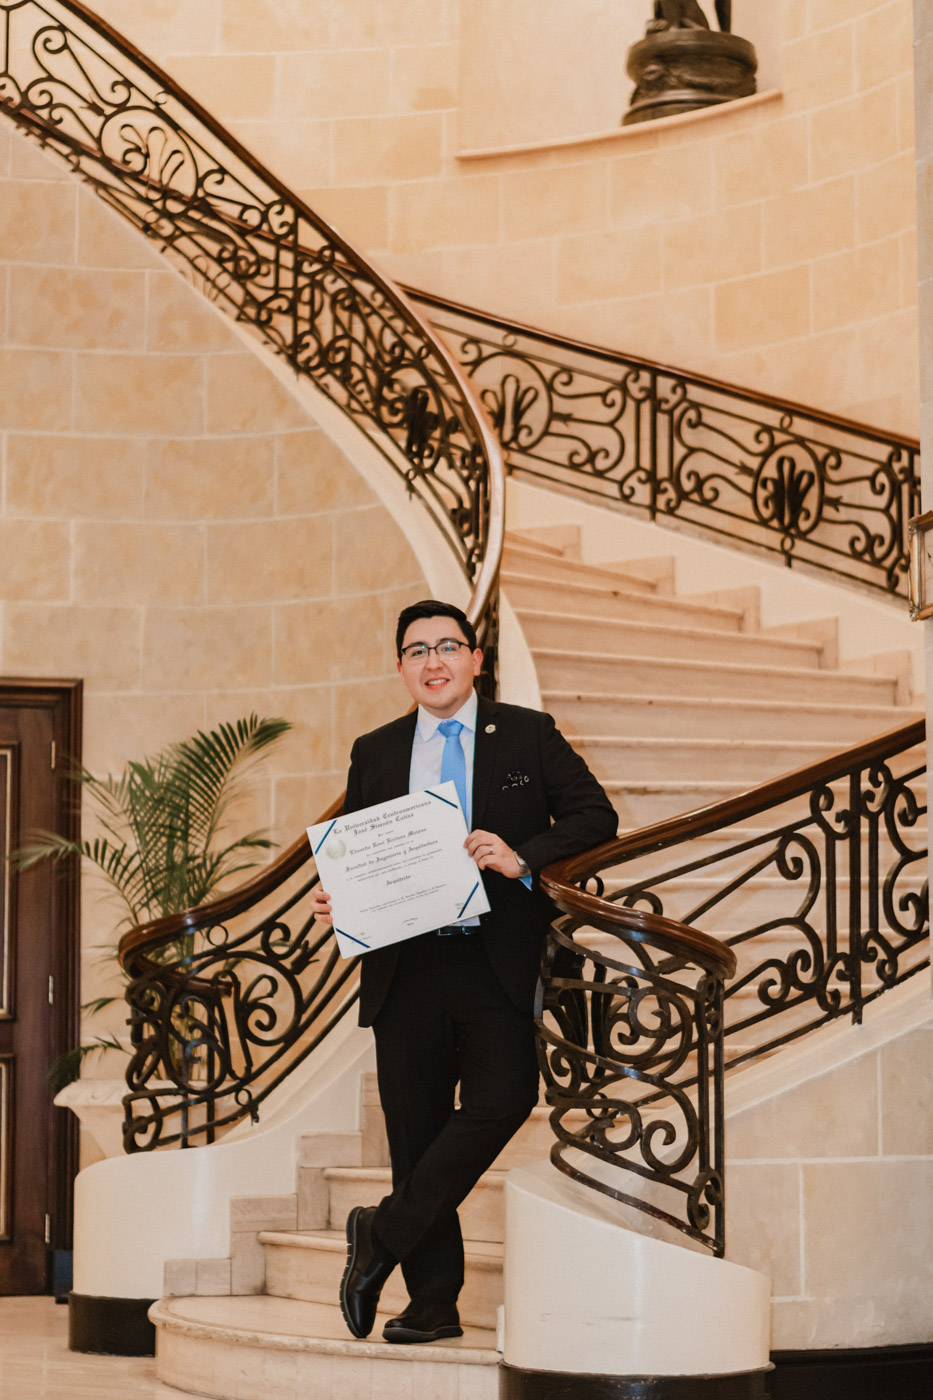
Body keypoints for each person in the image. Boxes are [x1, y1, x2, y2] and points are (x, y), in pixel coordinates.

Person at [311, 599, 617, 1344]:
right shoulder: (375, 749)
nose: (433, 661)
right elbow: (359, 843)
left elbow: (593, 817)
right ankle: (431, 1304)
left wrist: (523, 859)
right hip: (405, 965)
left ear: (476, 659)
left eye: (448, 646)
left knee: (504, 1098)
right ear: (400, 668)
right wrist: (340, 896)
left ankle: (380, 1234)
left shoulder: (525, 733)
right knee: (415, 1136)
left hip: (494, 959)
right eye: (417, 651)